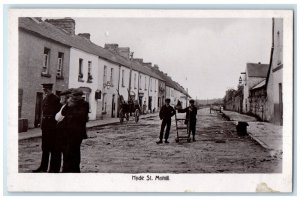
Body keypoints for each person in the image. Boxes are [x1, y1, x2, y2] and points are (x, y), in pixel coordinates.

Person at [32, 83, 61, 173]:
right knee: (44, 148)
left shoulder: (55, 99)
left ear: (50, 90)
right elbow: (43, 113)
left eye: (46, 90)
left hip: (52, 127)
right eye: (44, 90)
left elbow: (56, 114)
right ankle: (43, 167)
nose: (45, 92)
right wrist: (41, 123)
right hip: (45, 126)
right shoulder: (44, 99)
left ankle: (52, 169)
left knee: (52, 148)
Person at [61, 88, 89, 173]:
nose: (73, 98)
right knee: (66, 151)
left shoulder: (84, 104)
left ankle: (75, 170)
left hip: (77, 133)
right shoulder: (69, 103)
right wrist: (67, 104)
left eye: (74, 96)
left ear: (79, 96)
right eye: (72, 96)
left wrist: (71, 110)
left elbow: (81, 116)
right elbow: (63, 113)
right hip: (67, 132)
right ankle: (66, 169)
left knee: (74, 151)